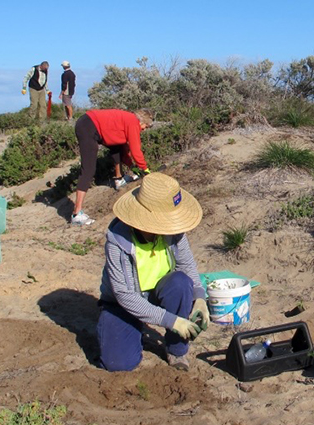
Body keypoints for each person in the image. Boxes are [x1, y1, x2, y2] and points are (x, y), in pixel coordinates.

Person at [97, 172, 209, 372]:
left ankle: (177, 350)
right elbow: (124, 296)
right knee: (118, 364)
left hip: (158, 293)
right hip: (122, 304)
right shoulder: (117, 240)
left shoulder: (174, 232)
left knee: (181, 283)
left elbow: (188, 267)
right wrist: (172, 321)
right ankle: (131, 328)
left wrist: (200, 298)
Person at [70, 109, 154, 226]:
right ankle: (76, 214)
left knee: (118, 148)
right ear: (142, 121)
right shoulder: (133, 122)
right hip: (88, 125)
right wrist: (145, 169)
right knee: (88, 169)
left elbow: (124, 153)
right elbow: (136, 151)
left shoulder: (128, 121)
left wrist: (133, 168)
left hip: (90, 123)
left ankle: (119, 179)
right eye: (146, 126)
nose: (144, 129)